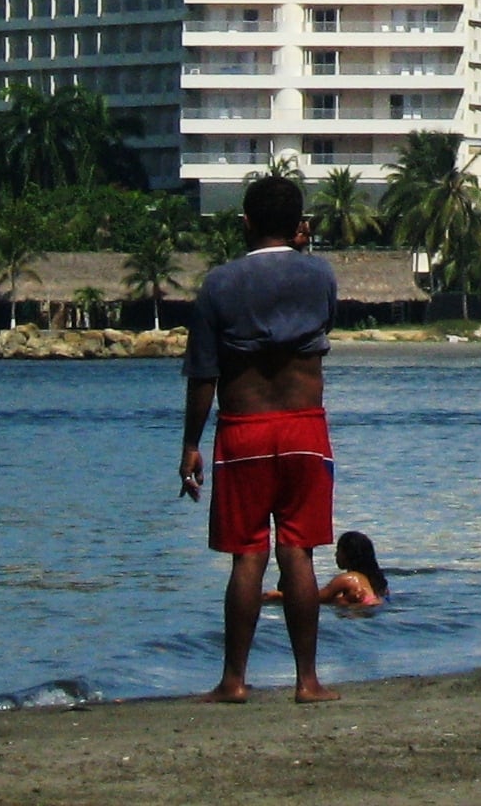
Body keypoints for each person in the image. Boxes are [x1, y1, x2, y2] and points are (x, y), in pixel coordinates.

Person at [180, 174, 343, 704]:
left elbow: (204, 374)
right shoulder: (319, 276)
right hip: (304, 426)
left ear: (245, 222)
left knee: (247, 557)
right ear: (300, 226)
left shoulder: (219, 284)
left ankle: (234, 680)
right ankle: (307, 681)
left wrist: (190, 444)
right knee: (299, 551)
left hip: (244, 431)